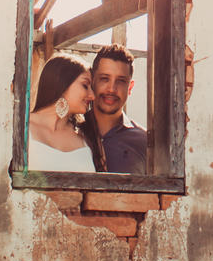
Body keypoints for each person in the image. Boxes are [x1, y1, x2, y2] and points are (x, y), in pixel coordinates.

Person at [28, 55, 106, 172]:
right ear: (62, 83)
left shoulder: (89, 135)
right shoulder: (20, 129)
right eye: (85, 85)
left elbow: (102, 187)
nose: (92, 96)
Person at [91, 44, 147, 175]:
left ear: (130, 87)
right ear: (92, 81)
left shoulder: (145, 143)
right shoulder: (72, 130)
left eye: (121, 81)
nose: (111, 89)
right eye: (104, 78)